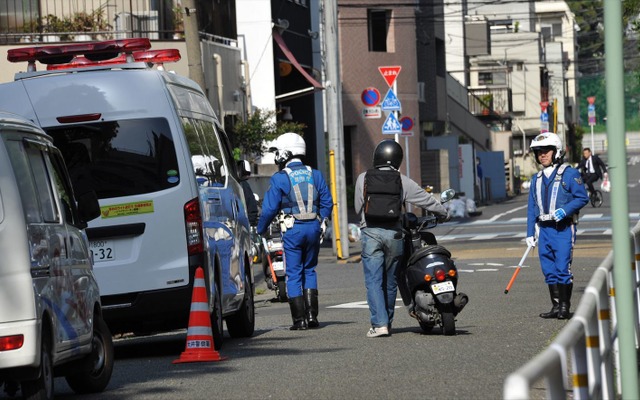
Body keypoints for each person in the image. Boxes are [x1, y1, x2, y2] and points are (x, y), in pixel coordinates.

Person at [354, 139, 449, 338]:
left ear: (376, 157)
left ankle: (379, 325)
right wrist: (443, 212)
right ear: (398, 160)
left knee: (373, 281)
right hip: (395, 235)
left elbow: (357, 208)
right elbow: (426, 199)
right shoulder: (402, 180)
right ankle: (386, 323)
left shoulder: (363, 178)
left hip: (370, 233)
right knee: (390, 281)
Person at [257, 132, 333, 330]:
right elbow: (326, 201)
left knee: (293, 273)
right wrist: (321, 220)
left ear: (286, 153)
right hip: (314, 228)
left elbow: (269, 209)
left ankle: (299, 321)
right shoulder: (315, 174)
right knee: (309, 269)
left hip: (292, 230)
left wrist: (260, 229)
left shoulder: (279, 178)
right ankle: (312, 316)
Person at [526, 132, 589, 320]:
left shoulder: (569, 174)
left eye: (546, 151)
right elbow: (531, 207)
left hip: (562, 229)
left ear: (557, 152)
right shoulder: (536, 179)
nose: (542, 155)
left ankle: (564, 307)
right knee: (548, 269)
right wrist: (530, 232)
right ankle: (555, 306)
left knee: (562, 267)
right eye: (538, 152)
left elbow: (582, 197)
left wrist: (566, 210)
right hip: (544, 229)